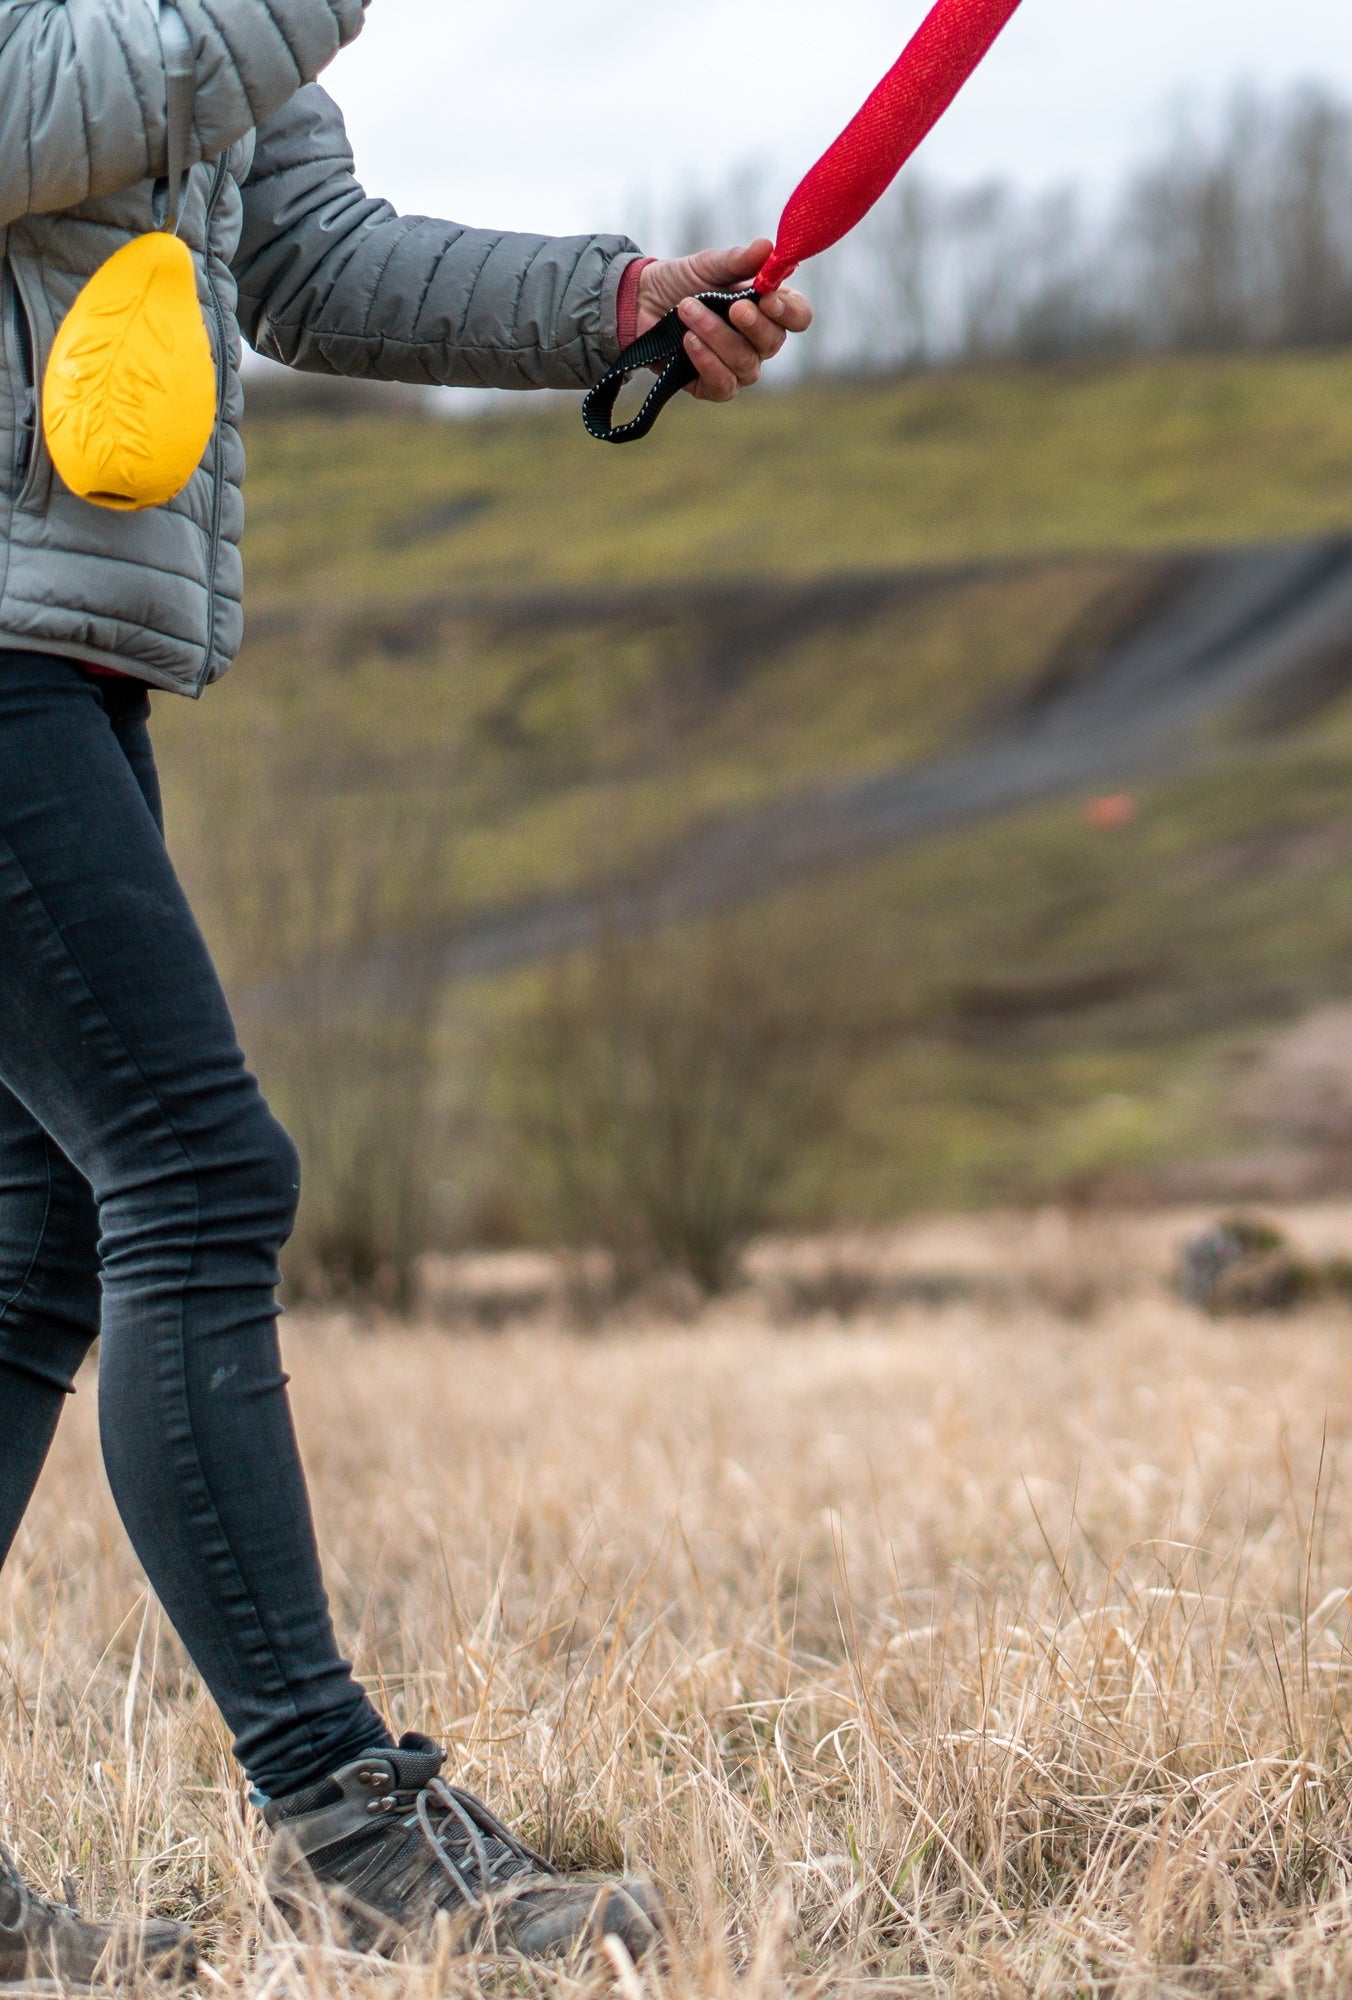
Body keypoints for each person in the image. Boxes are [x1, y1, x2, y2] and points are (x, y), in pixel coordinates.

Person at [0, 0, 813, 1977]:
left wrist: (608, 297)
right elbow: (39, 114)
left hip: (64, 663)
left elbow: (303, 252)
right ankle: (352, 1826)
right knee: (197, 1169)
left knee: (39, 1239)